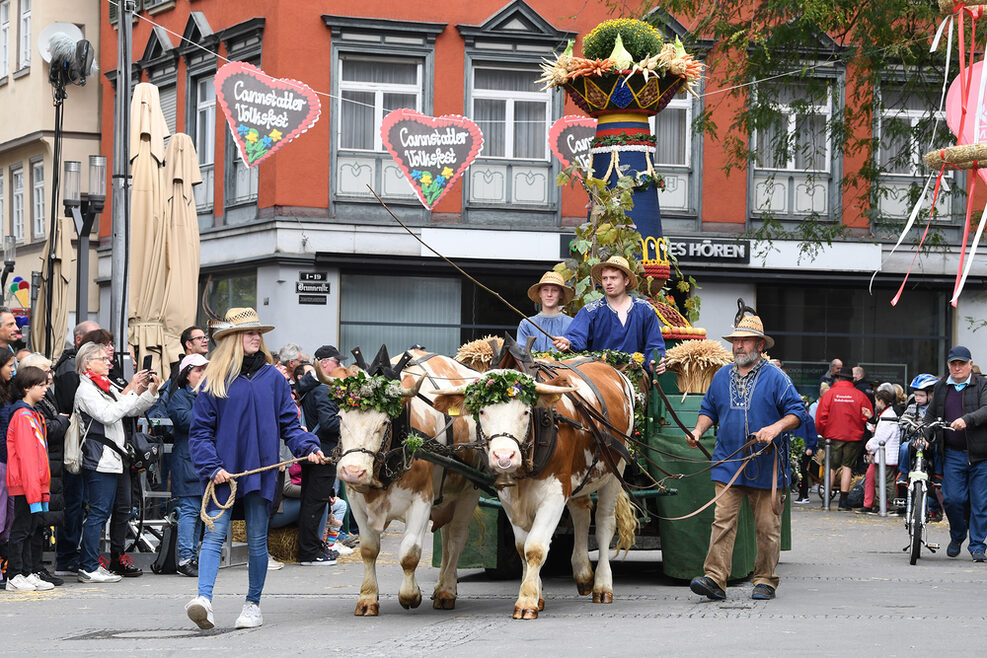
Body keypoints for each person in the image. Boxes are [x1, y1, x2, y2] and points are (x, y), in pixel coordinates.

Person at [185, 308, 325, 631]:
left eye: (258, 332)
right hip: (223, 476)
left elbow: (291, 426)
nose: (255, 337)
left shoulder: (274, 379)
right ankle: (203, 600)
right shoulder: (214, 379)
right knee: (214, 535)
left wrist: (309, 447)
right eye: (249, 332)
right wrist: (212, 466)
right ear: (233, 338)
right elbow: (200, 433)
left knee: (258, 541)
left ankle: (253, 605)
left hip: (262, 474)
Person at [686, 308, 804, 601]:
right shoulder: (721, 375)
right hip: (728, 461)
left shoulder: (776, 377)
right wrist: (698, 431)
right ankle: (715, 579)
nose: (739, 346)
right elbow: (708, 410)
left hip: (767, 463)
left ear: (760, 345)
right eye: (736, 340)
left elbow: (798, 413)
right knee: (722, 521)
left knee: (767, 527)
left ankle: (765, 579)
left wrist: (775, 428)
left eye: (746, 340)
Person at [75, 342, 159, 584]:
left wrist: (149, 392)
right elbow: (109, 414)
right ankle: (88, 566)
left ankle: (102, 562)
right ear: (87, 363)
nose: (108, 362)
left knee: (120, 508)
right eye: (102, 358)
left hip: (116, 458)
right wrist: (131, 389)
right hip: (99, 459)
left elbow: (130, 410)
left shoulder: (106, 385)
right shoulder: (86, 389)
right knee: (99, 513)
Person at [552, 255, 666, 374]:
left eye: (613, 278)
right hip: (599, 374)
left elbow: (654, 345)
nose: (608, 283)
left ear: (626, 281)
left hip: (635, 372)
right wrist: (568, 342)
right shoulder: (591, 310)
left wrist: (654, 363)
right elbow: (576, 336)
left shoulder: (645, 309)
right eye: (605, 278)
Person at [925, 346, 987, 562]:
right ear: (948, 366)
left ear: (970, 364)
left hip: (981, 455)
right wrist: (925, 433)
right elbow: (930, 415)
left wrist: (966, 420)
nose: (958, 367)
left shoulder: (982, 384)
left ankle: (978, 545)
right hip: (952, 454)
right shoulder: (941, 386)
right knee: (952, 500)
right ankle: (958, 534)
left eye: (962, 363)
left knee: (980, 503)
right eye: (954, 364)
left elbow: (986, 410)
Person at [18, 353, 69, 586]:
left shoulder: (46, 396)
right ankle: (25, 570)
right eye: (44, 371)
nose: (50, 375)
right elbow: (43, 428)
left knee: (40, 521)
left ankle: (35, 568)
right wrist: (61, 421)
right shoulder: (24, 408)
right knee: (30, 524)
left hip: (49, 466)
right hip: (35, 470)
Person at [4, 367, 55, 592]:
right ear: (26, 387)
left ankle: (26, 571)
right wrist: (34, 487)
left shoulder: (31, 414)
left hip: (34, 482)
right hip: (26, 483)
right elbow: (25, 456)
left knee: (32, 528)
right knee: (22, 529)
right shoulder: (23, 416)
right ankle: (14, 574)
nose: (46, 389)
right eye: (40, 385)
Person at [293, 363, 341, 565]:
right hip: (322, 454)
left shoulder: (311, 389)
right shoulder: (323, 390)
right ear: (326, 364)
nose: (340, 367)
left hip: (314, 451)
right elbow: (329, 423)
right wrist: (347, 419)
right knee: (315, 503)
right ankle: (309, 552)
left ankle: (312, 547)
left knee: (312, 502)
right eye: (338, 363)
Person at [167, 353, 209, 578]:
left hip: (203, 461)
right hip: (187, 461)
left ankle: (192, 556)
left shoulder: (209, 396)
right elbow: (186, 421)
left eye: (204, 370)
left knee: (199, 512)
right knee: (190, 511)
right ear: (186, 375)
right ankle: (185, 558)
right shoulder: (180, 397)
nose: (203, 374)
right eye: (198, 370)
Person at [815, 366, 873, 510]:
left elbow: (820, 418)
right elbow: (867, 415)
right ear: (851, 379)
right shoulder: (860, 395)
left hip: (834, 436)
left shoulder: (830, 394)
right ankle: (843, 502)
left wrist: (824, 433)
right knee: (847, 467)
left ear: (838, 378)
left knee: (831, 467)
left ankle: (826, 502)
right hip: (853, 436)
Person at [857, 388, 900, 514]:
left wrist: (869, 446)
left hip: (885, 455)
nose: (875, 404)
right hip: (886, 455)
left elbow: (881, 437)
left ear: (881, 401)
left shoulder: (887, 417)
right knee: (883, 481)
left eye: (876, 401)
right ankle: (883, 504)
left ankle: (889, 505)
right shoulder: (888, 415)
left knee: (885, 482)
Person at [517, 271, 574, 353]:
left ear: (561, 294)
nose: (549, 294)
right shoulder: (527, 324)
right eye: (545, 290)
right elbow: (523, 356)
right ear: (539, 293)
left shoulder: (571, 323)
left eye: (554, 290)